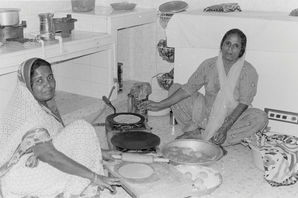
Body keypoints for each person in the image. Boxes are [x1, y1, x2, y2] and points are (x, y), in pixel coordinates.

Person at [0, 58, 121, 198]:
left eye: (50, 77)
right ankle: (73, 191)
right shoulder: (32, 116)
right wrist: (94, 177)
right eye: (39, 81)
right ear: (28, 85)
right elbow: (51, 155)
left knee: (80, 131)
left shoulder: (41, 105)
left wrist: (102, 153)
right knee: (82, 128)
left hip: (35, 162)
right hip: (21, 177)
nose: (48, 85)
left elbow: (60, 140)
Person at [146, 28, 268, 146]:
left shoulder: (248, 71)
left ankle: (216, 137)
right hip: (206, 114)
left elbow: (244, 103)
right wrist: (160, 104)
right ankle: (194, 131)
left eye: (236, 46)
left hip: (232, 120)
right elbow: (188, 89)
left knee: (260, 117)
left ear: (241, 50)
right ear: (222, 45)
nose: (230, 49)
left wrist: (225, 126)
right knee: (175, 88)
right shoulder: (209, 65)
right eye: (228, 43)